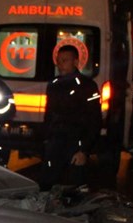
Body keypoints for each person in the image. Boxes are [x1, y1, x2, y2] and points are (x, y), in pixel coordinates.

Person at [41, 43, 101, 188]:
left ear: (75, 62)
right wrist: (45, 139)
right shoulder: (54, 84)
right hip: (56, 140)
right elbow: (49, 114)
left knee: (75, 186)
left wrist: (84, 150)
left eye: (65, 60)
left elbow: (94, 119)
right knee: (47, 183)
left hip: (76, 141)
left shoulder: (87, 85)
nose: (60, 65)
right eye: (58, 60)